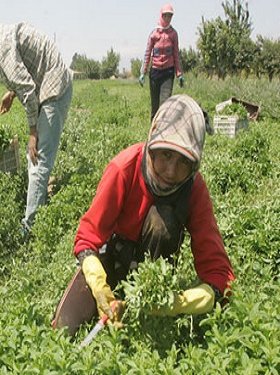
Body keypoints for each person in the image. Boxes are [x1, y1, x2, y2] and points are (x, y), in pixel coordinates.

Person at [73, 94, 234, 326]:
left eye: (182, 162)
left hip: (157, 266)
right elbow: (87, 237)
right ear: (152, 147)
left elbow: (219, 272)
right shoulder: (124, 168)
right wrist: (98, 284)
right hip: (116, 256)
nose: (170, 170)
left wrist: (181, 302)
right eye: (166, 155)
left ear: (194, 165)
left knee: (162, 220)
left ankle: (150, 308)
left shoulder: (193, 187)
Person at [0, 7, 73, 235]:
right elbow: (25, 70)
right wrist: (11, 92)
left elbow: (27, 89)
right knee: (39, 159)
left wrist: (33, 132)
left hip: (54, 89)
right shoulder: (5, 33)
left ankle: (30, 227)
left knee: (37, 160)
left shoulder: (2, 47)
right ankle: (40, 206)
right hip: (53, 82)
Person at [139, 4, 184, 121]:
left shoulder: (173, 34)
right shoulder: (154, 34)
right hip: (155, 73)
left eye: (170, 16)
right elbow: (147, 53)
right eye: (165, 15)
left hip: (168, 73)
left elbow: (176, 54)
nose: (167, 18)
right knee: (155, 107)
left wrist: (179, 73)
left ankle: (163, 131)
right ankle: (153, 132)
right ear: (161, 16)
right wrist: (143, 71)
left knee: (165, 104)